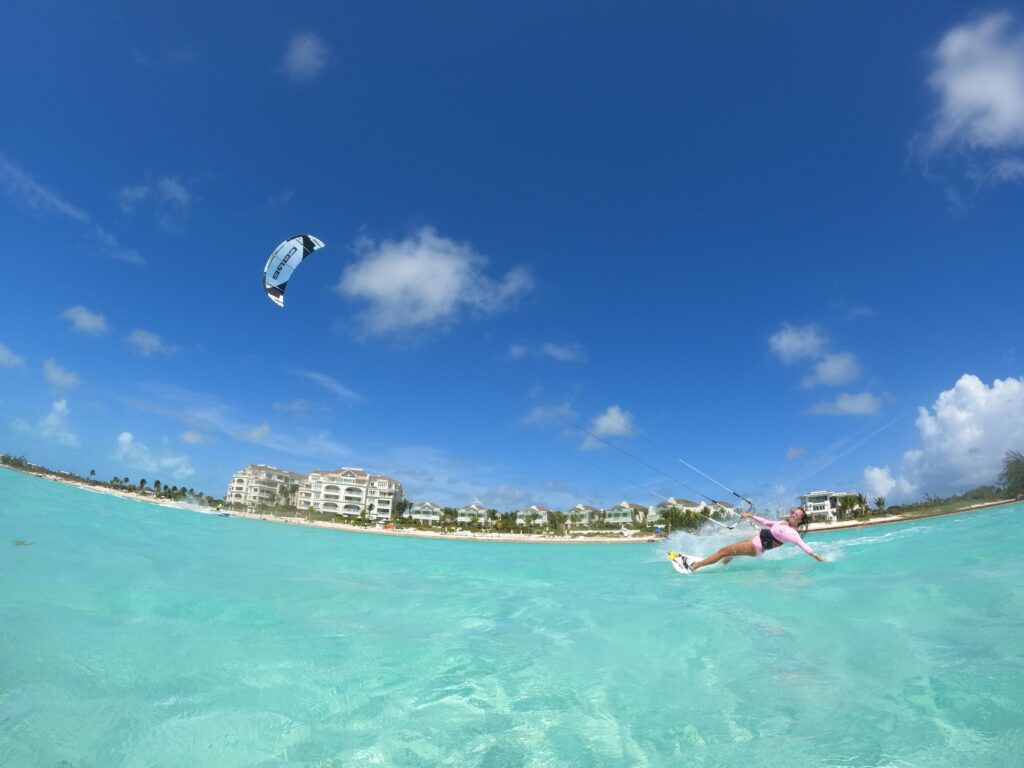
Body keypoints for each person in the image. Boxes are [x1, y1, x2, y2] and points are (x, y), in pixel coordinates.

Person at [678, 507, 825, 572]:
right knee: (729, 553)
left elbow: (803, 546)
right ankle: (721, 565)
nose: (793, 514)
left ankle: (695, 566)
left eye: (797, 515)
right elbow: (766, 522)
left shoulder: (792, 533)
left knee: (723, 551)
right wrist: (751, 516)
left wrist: (817, 557)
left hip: (756, 547)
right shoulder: (782, 523)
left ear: (800, 520)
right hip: (755, 545)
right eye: (793, 512)